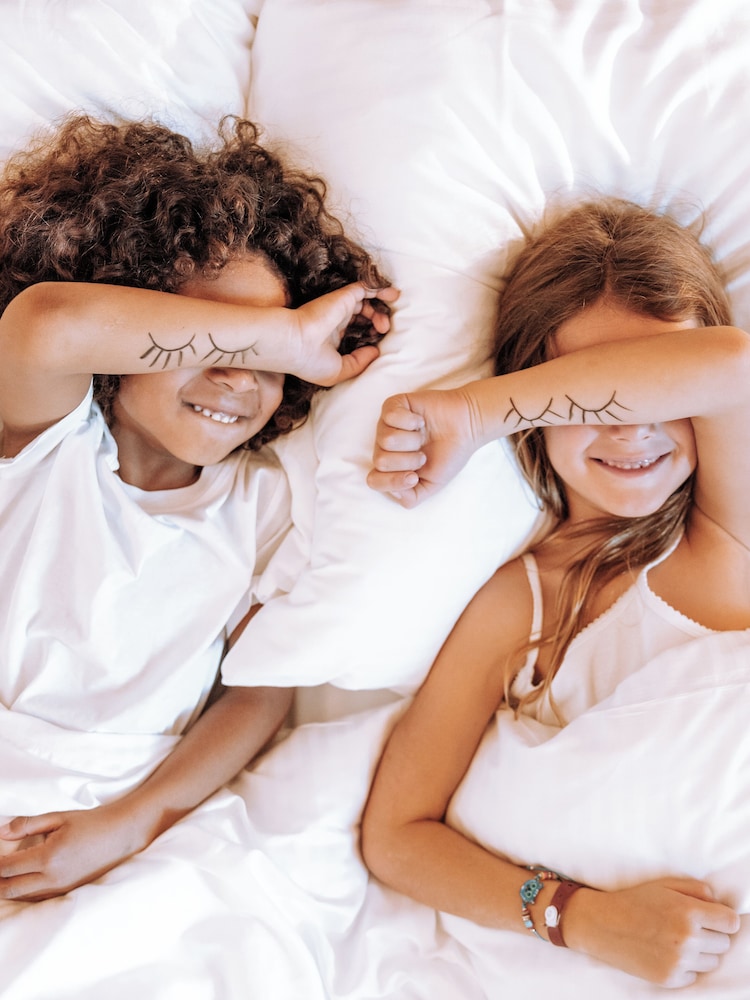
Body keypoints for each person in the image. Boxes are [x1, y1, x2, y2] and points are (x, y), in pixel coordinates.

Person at [0, 114, 396, 901]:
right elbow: (50, 325)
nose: (242, 375)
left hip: (117, 814)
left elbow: (258, 691)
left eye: (271, 360)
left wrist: (128, 825)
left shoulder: (264, 502)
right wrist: (283, 337)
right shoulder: (46, 443)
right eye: (218, 338)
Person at [361, 198, 746, 988]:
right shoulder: (522, 602)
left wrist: (476, 413)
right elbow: (397, 835)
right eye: (595, 397)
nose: (632, 430)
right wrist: (576, 916)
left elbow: (735, 367)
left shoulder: (726, 532)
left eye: (652, 386)